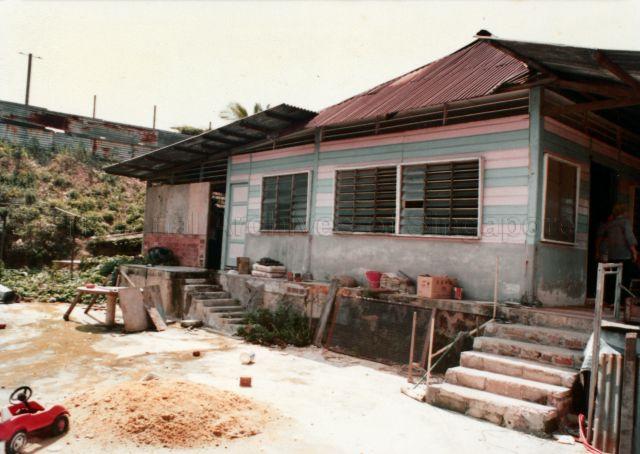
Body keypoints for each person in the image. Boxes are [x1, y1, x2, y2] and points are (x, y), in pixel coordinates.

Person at [601, 204, 638, 289]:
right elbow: (629, 237)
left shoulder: (610, 224)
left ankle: (611, 296)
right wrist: (634, 252)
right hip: (624, 255)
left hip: (612, 255)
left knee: (613, 278)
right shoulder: (625, 222)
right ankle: (622, 296)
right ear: (623, 212)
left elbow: (606, 240)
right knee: (625, 278)